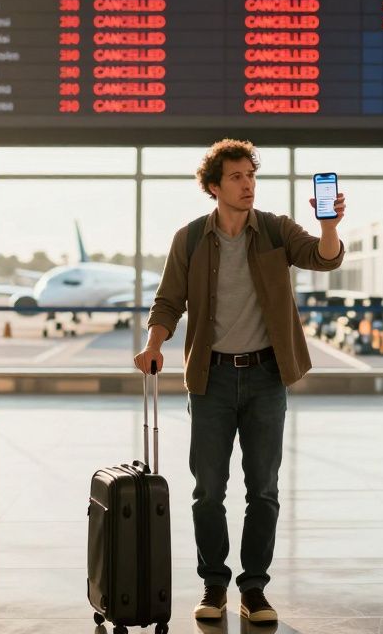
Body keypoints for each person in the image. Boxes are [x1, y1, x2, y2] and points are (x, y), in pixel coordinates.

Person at [134, 139, 346, 624]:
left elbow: (323, 258)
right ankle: (214, 585)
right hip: (210, 380)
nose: (247, 184)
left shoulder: (274, 230)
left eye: (251, 175)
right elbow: (167, 301)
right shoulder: (189, 239)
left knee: (263, 489)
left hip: (267, 376)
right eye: (236, 177)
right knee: (208, 489)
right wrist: (154, 344)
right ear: (214, 186)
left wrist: (329, 225)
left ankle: (254, 589)